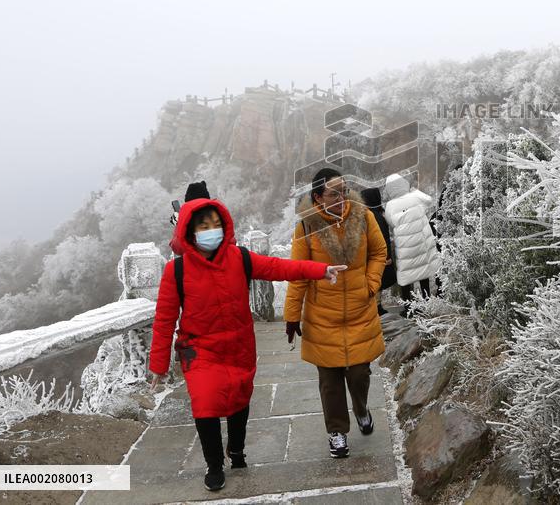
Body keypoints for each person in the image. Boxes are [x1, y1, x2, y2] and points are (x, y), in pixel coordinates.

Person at [148, 181, 345, 492]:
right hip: (199, 350)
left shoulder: (239, 257)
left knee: (239, 399)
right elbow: (163, 320)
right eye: (203, 226)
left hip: (239, 345)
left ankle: (237, 449)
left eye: (215, 224)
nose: (211, 230)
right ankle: (215, 464)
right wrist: (158, 365)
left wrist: (319, 270)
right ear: (189, 231)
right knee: (205, 403)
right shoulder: (177, 271)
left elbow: (279, 267)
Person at [285, 168, 388, 459]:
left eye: (344, 190)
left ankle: (361, 408)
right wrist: (292, 315)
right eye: (334, 193)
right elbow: (298, 273)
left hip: (359, 310)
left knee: (359, 374)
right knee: (330, 381)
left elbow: (379, 252)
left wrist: (371, 284)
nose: (342, 197)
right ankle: (337, 431)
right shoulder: (307, 227)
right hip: (323, 316)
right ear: (318, 197)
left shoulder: (363, 217)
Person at [380, 173, 441, 316]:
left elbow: (391, 223)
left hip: (405, 246)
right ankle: (427, 303)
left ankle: (408, 308)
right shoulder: (414, 196)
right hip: (421, 242)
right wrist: (414, 191)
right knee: (424, 272)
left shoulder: (390, 206)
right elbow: (429, 201)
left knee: (406, 275)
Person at [359, 186, 397, 315]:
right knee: (378, 280)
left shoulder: (370, 216)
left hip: (373, 255)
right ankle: (377, 306)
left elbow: (380, 239)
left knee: (377, 280)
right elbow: (383, 238)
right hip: (377, 255)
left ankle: (377, 306)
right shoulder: (377, 216)